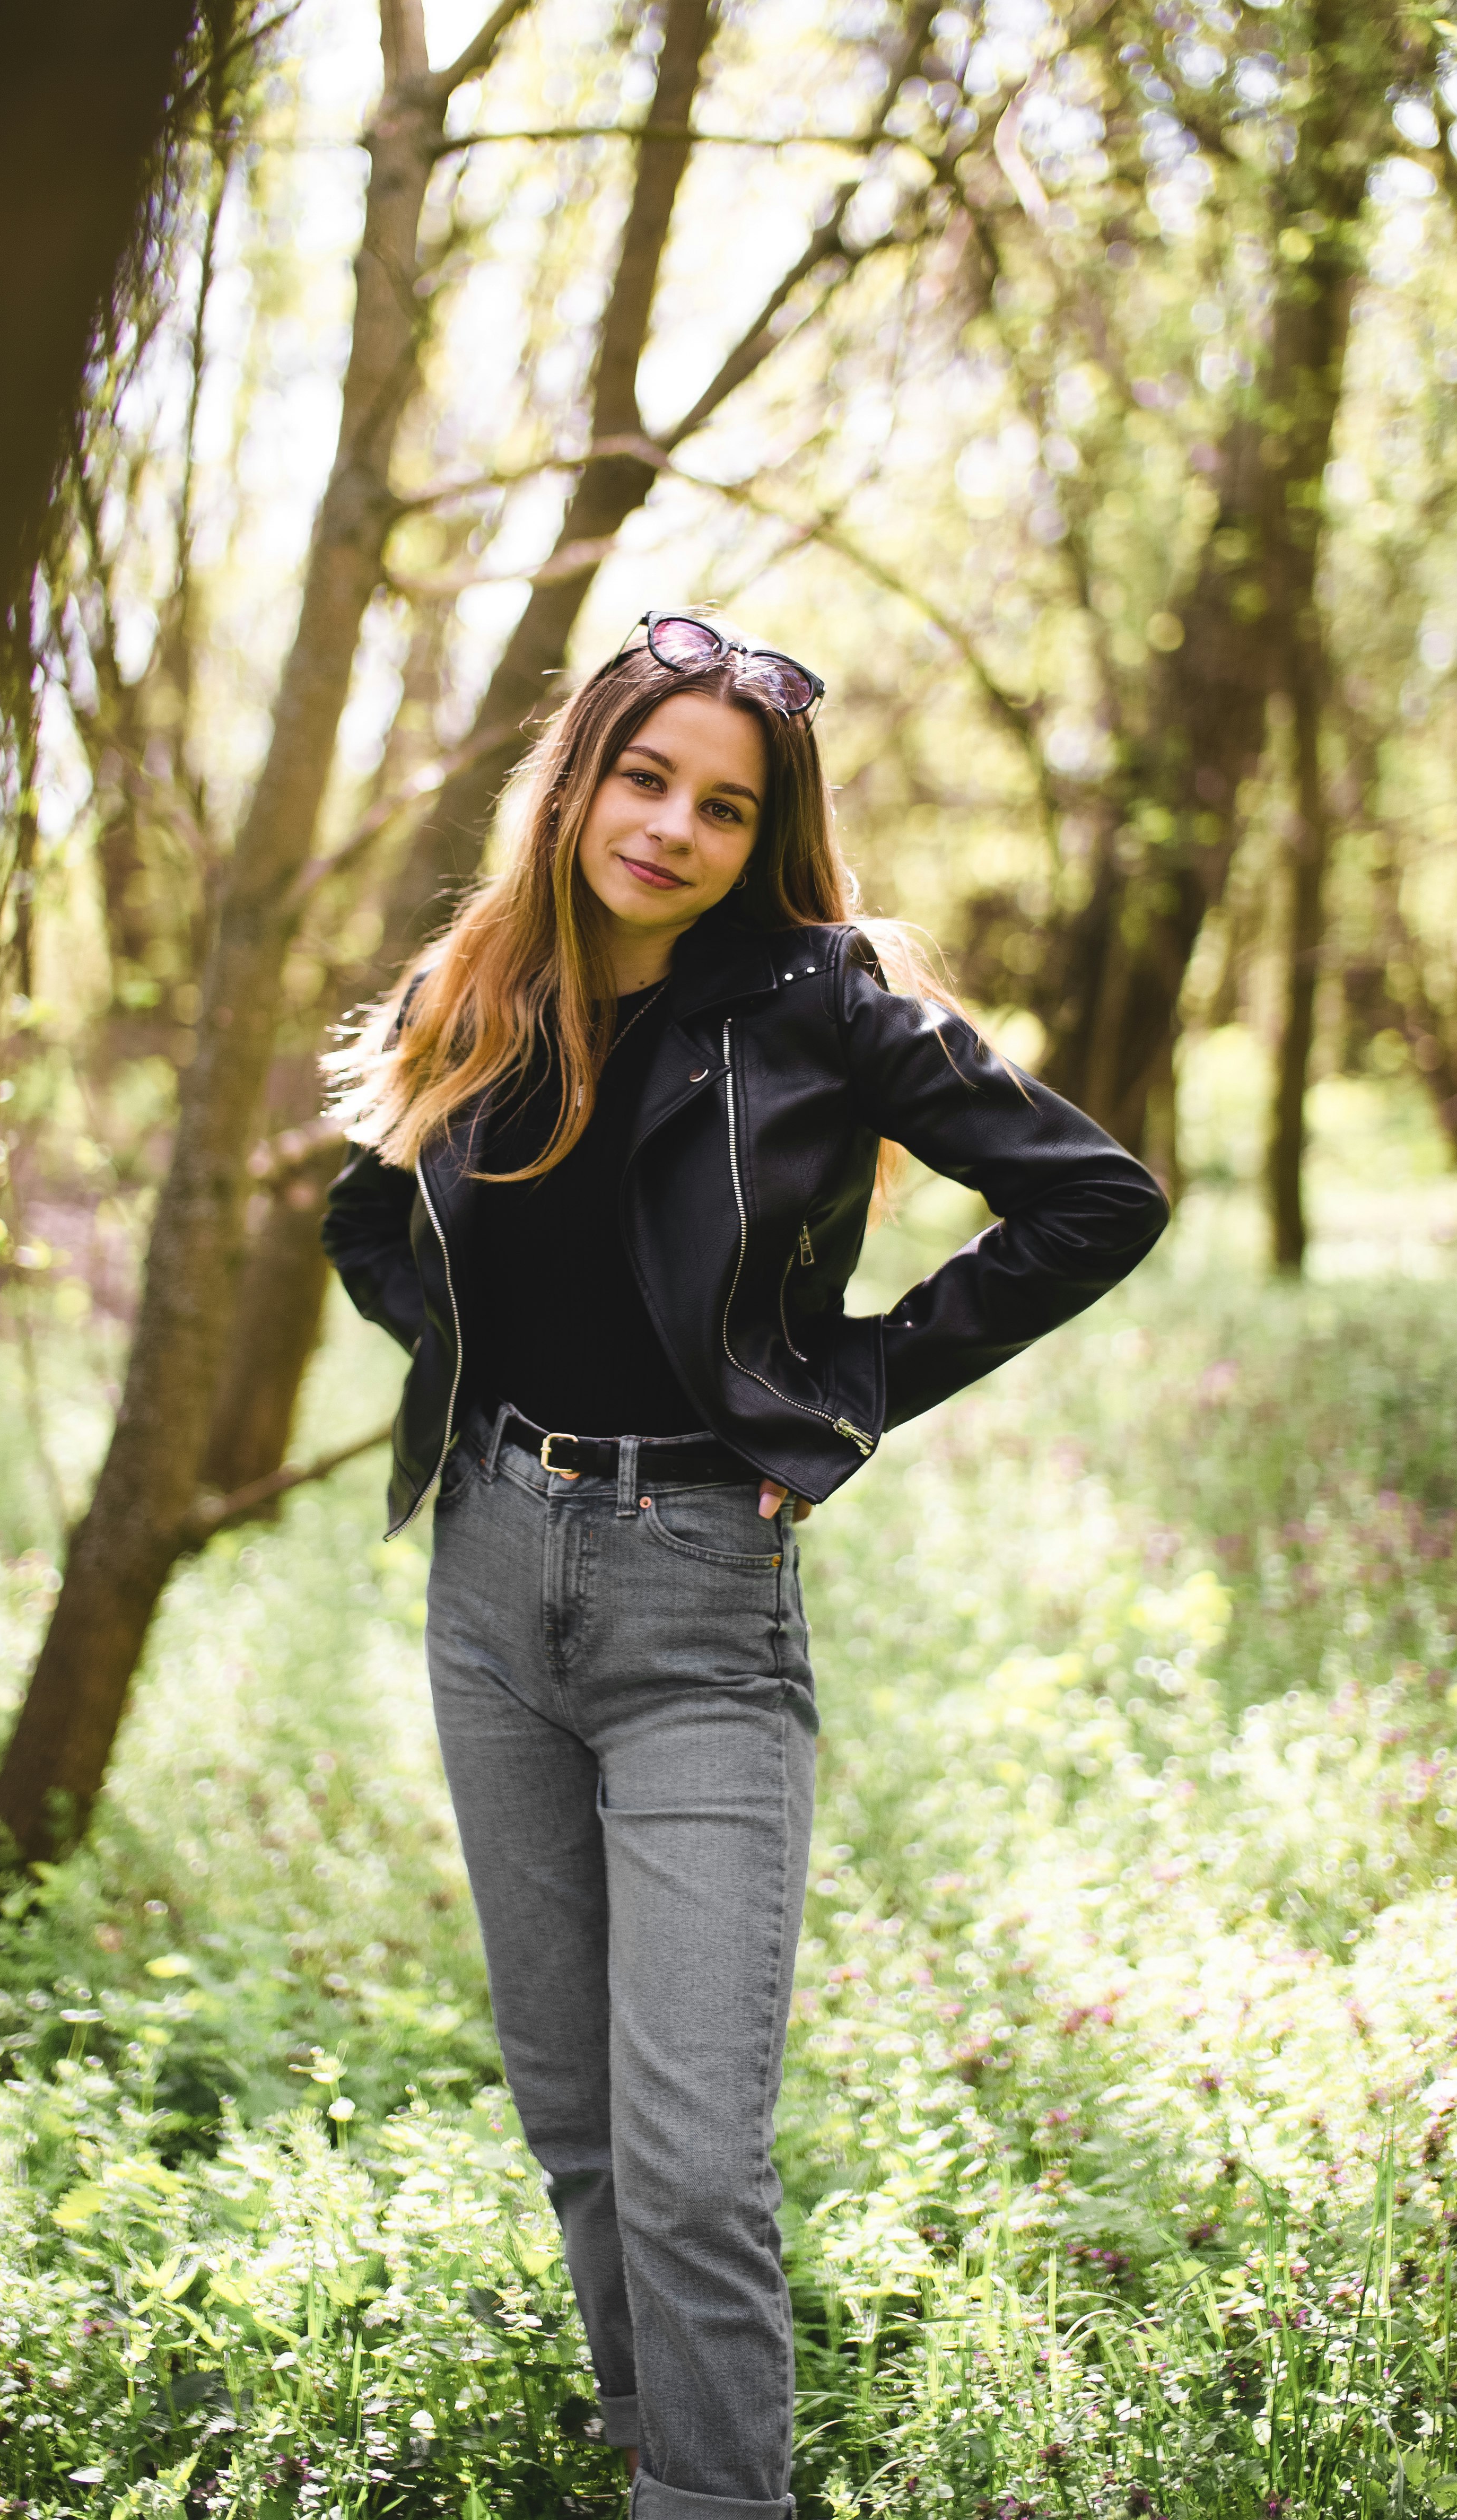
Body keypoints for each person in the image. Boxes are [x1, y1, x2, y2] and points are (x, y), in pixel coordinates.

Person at [322, 611, 1168, 2520]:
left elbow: (1095, 1199)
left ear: (762, 835)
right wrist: (463, 1375)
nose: (675, 830)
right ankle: (655, 2454)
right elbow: (366, 1210)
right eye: (647, 779)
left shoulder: (825, 1002)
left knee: (694, 2155)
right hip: (490, 1580)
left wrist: (846, 1391)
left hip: (701, 1594)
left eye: (726, 805)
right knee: (579, 2124)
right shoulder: (486, 980)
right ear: (583, 778)